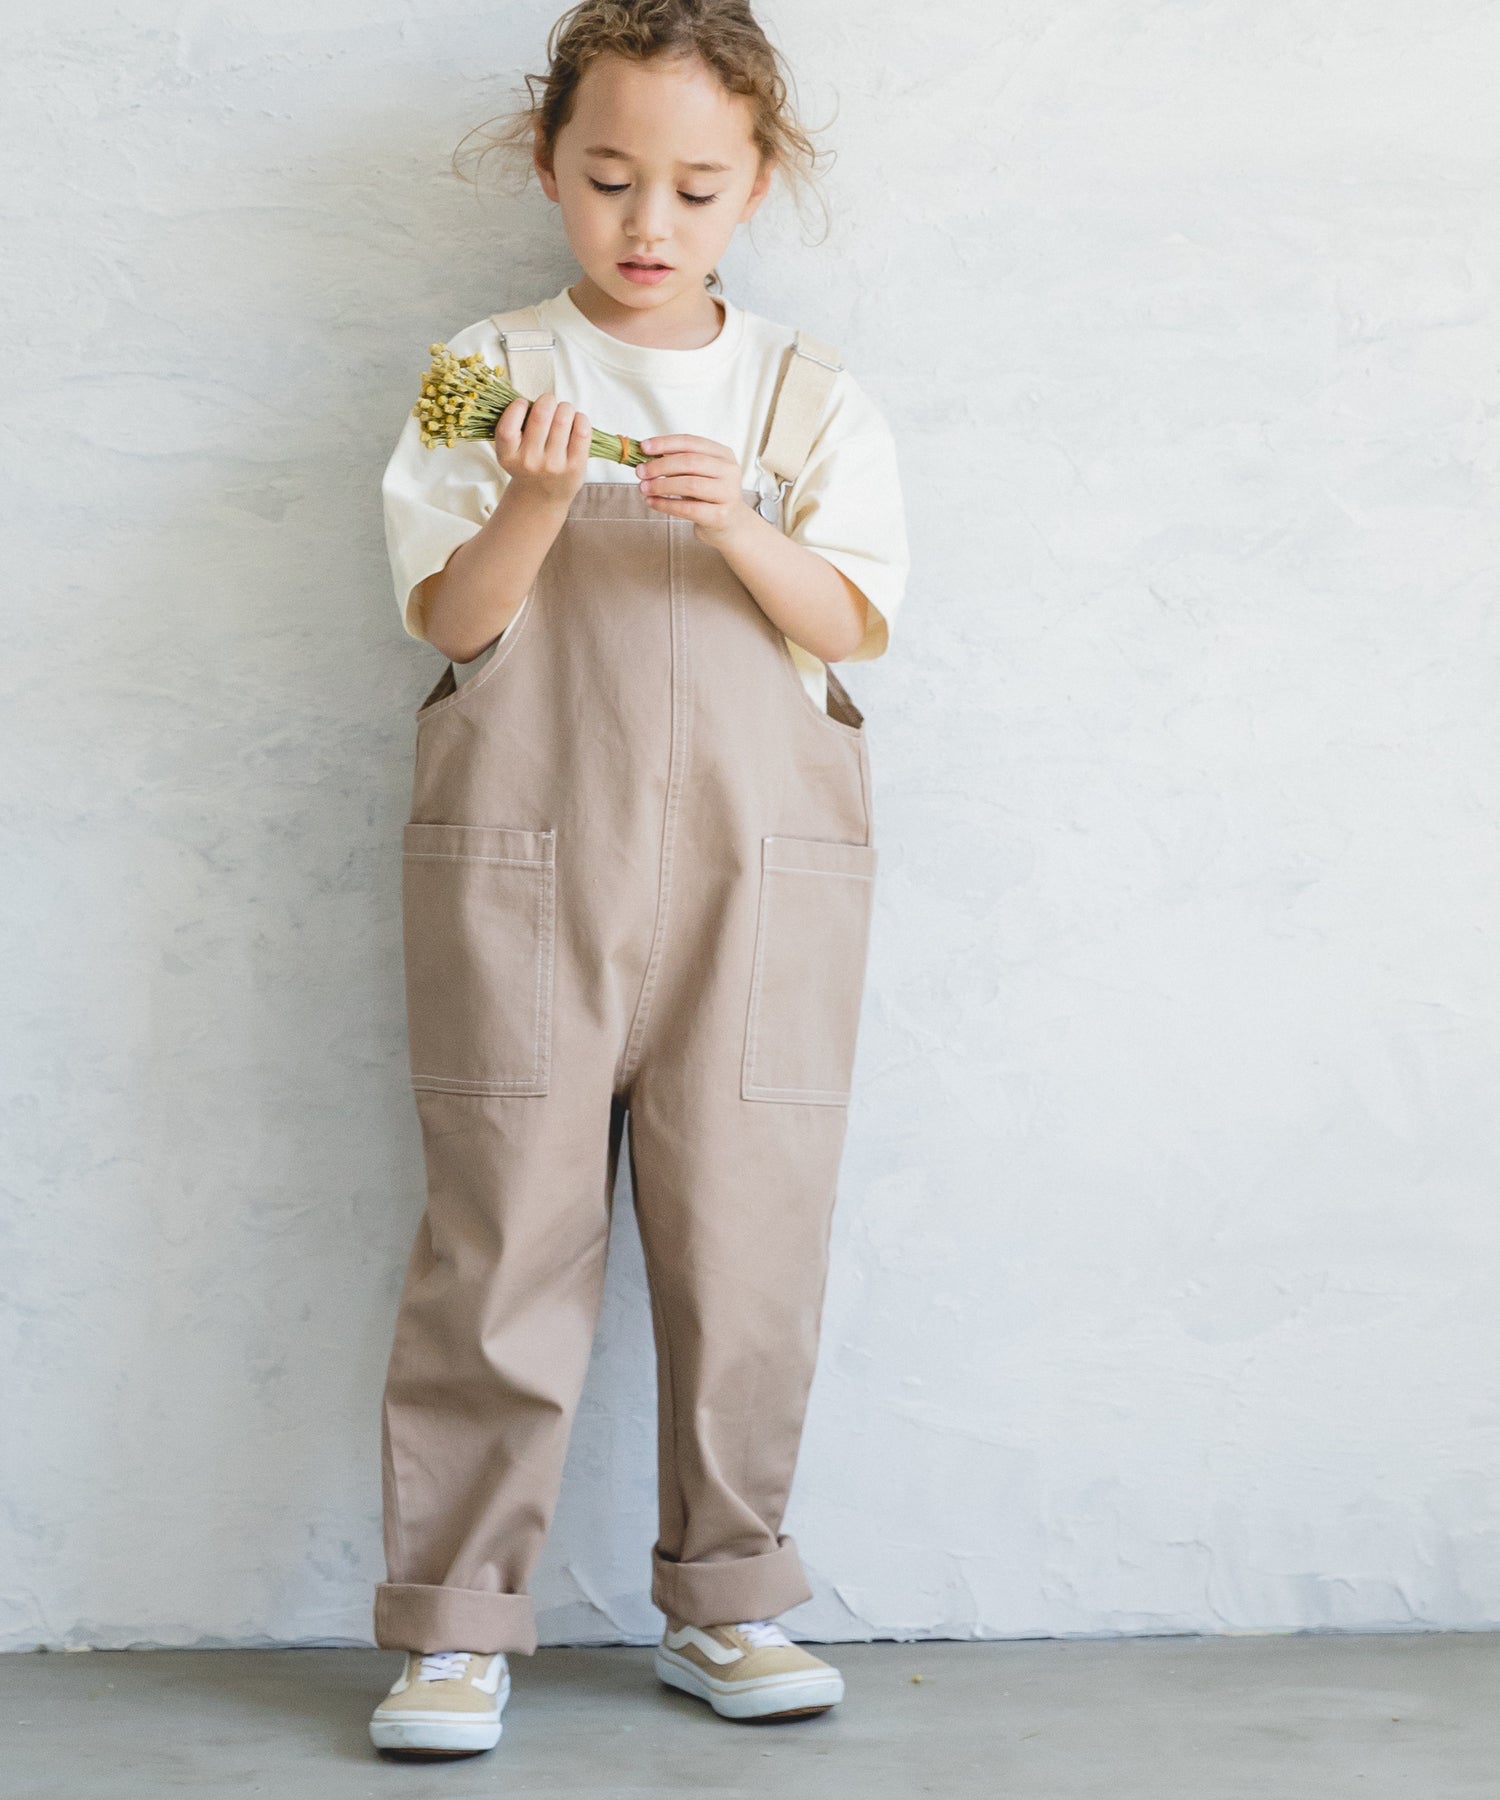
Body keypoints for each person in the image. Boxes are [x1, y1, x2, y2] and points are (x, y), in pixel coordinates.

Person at [368, 0, 909, 1759]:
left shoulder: (807, 395)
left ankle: (728, 1599)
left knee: (750, 1243)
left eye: (692, 182)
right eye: (609, 179)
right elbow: (451, 623)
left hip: (762, 888)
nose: (646, 220)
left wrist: (741, 519)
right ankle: (456, 1625)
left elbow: (859, 631)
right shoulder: (483, 371)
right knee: (503, 1233)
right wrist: (531, 502)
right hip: (527, 872)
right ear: (550, 169)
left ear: (757, 185)